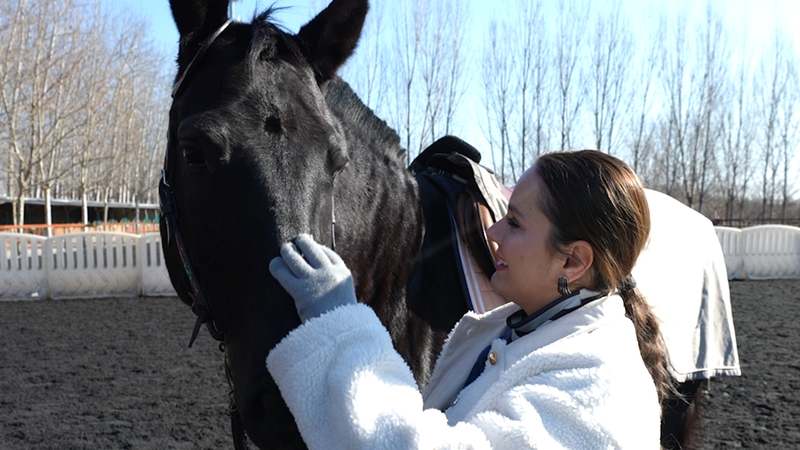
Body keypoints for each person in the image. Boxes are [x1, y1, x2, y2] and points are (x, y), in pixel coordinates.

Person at [267, 150, 668, 449]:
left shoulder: (595, 391)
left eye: (514, 223)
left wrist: (342, 335)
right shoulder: (519, 333)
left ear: (574, 261)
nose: (493, 232)